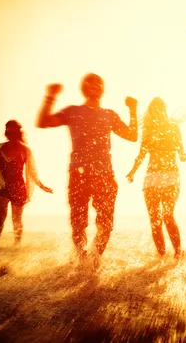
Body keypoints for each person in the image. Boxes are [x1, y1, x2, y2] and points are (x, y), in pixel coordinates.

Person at [35, 73, 138, 261]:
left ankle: (94, 260)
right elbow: (43, 122)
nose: (95, 86)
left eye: (99, 83)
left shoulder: (109, 114)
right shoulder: (73, 111)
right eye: (90, 83)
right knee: (78, 224)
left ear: (103, 89)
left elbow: (132, 136)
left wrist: (133, 110)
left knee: (106, 224)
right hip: (79, 174)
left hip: (105, 175)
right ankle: (82, 261)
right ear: (83, 88)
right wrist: (50, 97)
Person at [126, 97, 186, 258]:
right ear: (152, 112)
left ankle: (178, 253)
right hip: (152, 177)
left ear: (165, 110)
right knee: (155, 219)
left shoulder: (174, 128)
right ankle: (161, 257)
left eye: (161, 108)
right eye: (156, 108)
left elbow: (182, 153)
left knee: (168, 215)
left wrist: (181, 152)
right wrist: (132, 171)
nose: (159, 111)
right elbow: (141, 154)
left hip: (170, 176)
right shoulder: (149, 131)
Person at [0, 120, 53, 245]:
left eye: (13, 130)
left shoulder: (25, 150)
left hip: (18, 187)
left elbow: (31, 172)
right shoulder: (0, 147)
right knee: (1, 215)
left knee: (16, 220)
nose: (10, 132)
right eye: (8, 130)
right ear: (6, 132)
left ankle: (16, 247)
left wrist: (42, 186)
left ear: (18, 132)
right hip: (2, 186)